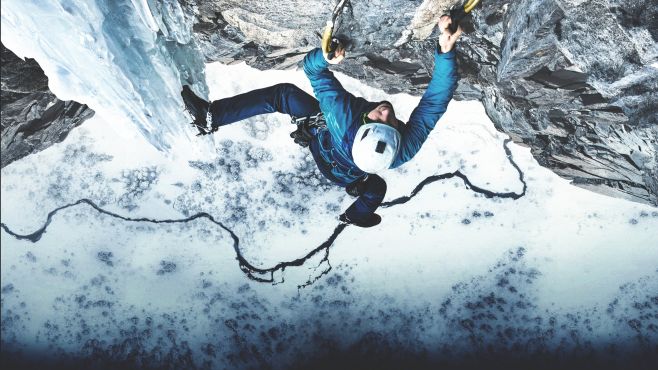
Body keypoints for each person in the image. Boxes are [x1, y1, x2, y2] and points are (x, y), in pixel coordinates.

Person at [181, 16, 462, 228]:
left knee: (283, 95)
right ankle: (356, 213)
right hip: (345, 170)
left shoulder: (341, 116)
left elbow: (312, 71)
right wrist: (446, 51)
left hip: (325, 140)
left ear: (363, 125)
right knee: (376, 187)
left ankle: (211, 117)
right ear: (397, 137)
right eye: (390, 122)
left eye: (379, 117)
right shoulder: (403, 149)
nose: (386, 111)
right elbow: (434, 103)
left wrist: (325, 57)